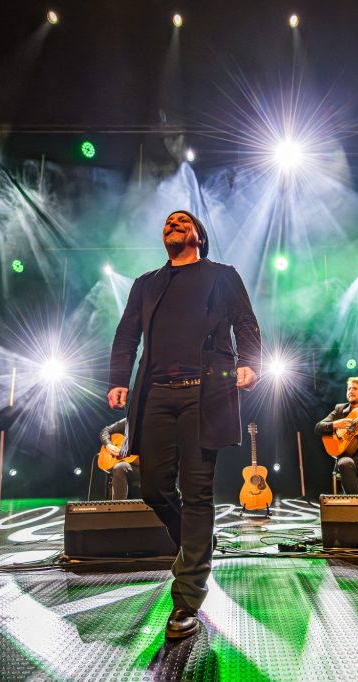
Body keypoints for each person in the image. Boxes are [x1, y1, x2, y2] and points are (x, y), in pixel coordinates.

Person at [107, 209, 261, 640]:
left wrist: (251, 362)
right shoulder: (147, 284)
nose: (171, 224)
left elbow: (246, 323)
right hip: (155, 394)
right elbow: (127, 333)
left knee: (197, 491)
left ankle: (187, 598)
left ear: (199, 235)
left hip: (204, 393)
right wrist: (118, 379)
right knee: (154, 488)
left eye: (181, 221)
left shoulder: (222, 276)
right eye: (167, 222)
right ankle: (198, 544)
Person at [99, 418, 140, 500]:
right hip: (132, 466)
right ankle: (119, 506)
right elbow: (105, 431)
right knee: (119, 467)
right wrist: (108, 445)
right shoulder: (133, 419)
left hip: (151, 470)